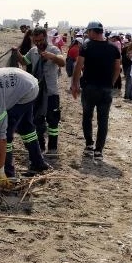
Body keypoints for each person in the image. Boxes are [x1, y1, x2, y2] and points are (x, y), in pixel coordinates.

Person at [71, 21, 121, 162]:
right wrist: (111, 83)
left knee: (87, 117)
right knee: (103, 120)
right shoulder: (113, 48)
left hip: (89, 88)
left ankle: (89, 145)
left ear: (93, 31)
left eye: (88, 31)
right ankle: (98, 151)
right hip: (106, 89)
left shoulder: (86, 46)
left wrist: (74, 84)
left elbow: (78, 65)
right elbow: (118, 68)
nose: (87, 34)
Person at [17, 27, 65, 155]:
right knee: (38, 120)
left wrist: (52, 57)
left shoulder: (53, 49)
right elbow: (24, 61)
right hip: (36, 93)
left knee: (53, 121)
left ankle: (53, 148)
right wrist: (16, 53)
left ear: (45, 37)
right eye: (35, 40)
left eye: (40, 40)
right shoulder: (33, 51)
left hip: (51, 92)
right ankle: (41, 148)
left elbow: (62, 62)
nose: (38, 43)